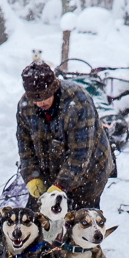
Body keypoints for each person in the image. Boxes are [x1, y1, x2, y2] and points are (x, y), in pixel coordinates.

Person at [16, 61, 112, 211]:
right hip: (50, 169)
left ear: (53, 89)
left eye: (44, 97)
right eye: (35, 99)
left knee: (78, 223)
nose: (39, 103)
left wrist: (61, 185)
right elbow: (25, 147)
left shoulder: (79, 103)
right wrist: (32, 176)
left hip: (88, 174)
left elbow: (80, 155)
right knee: (39, 220)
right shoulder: (25, 107)